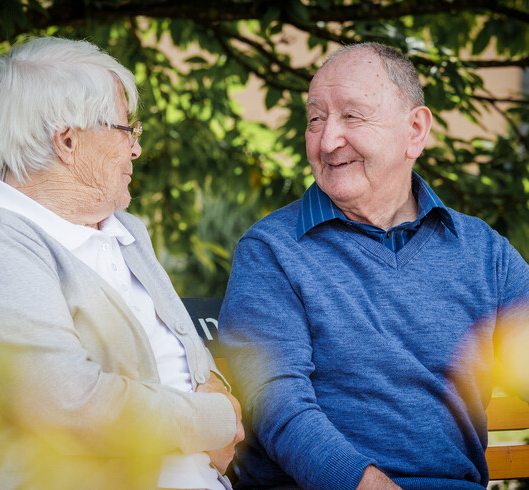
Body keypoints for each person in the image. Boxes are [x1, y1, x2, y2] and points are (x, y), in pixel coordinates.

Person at [219, 42, 529, 489]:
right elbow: (275, 404)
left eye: (353, 116)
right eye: (316, 119)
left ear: (416, 131)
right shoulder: (273, 250)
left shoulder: (482, 252)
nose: (327, 141)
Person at [0, 36, 243, 490]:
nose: (136, 151)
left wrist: (219, 389)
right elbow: (68, 404)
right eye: (127, 131)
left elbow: (191, 356)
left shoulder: (125, 232)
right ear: (68, 140)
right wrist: (214, 420)